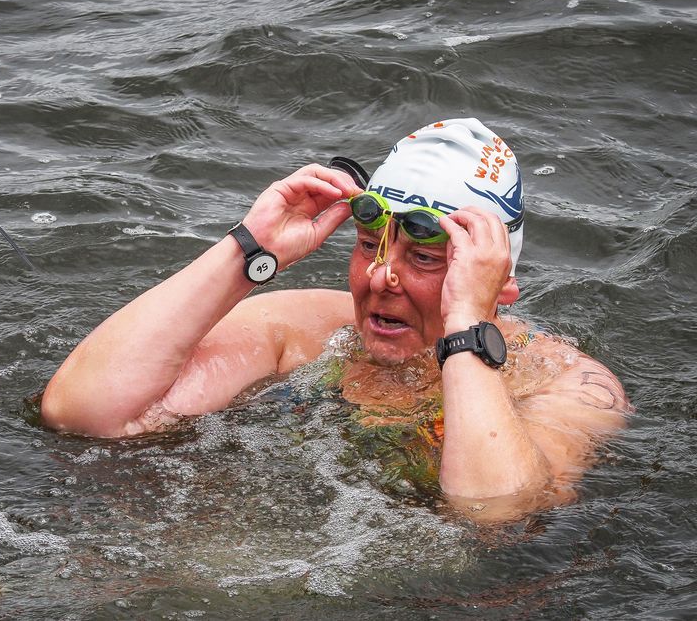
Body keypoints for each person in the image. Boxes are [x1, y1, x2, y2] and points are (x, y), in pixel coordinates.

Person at [41, 118, 631, 522]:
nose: (380, 278)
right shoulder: (304, 330)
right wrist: (248, 253)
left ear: (499, 284)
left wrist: (463, 325)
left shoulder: (565, 385)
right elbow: (85, 414)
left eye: (423, 257)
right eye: (369, 243)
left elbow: (493, 515)